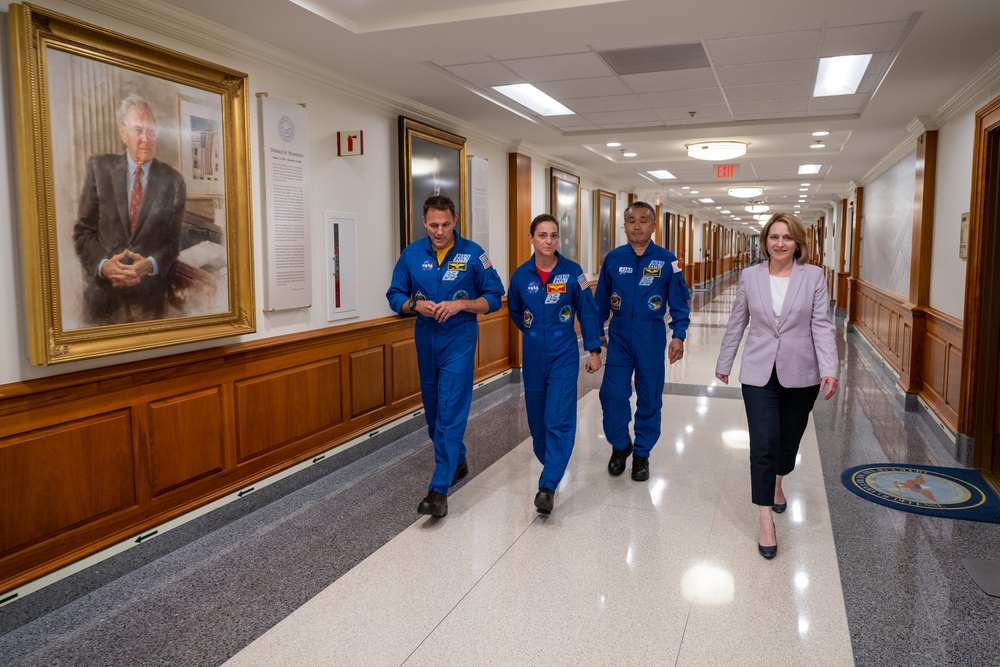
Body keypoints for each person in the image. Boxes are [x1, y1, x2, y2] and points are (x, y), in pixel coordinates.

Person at [715, 212, 839, 560]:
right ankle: (765, 517)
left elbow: (822, 326)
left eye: (786, 238)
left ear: (797, 243)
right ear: (764, 241)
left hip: (802, 373)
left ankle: (779, 480)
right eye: (773, 237)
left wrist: (829, 368)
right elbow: (738, 320)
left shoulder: (813, 276)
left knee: (788, 442)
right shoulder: (750, 276)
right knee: (764, 442)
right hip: (758, 373)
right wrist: (725, 362)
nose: (780, 243)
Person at [386, 195, 505, 518]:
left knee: (451, 408)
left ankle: (438, 490)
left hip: (460, 338)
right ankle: (458, 459)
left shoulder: (473, 255)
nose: (440, 231)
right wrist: (414, 306)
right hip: (425, 338)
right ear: (424, 223)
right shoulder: (412, 254)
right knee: (434, 412)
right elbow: (394, 295)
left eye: (446, 224)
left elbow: (495, 297)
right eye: (434, 225)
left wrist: (461, 305)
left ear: (455, 222)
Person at [508, 214, 603, 515]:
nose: (548, 241)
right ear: (532, 238)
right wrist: (536, 334)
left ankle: (547, 485)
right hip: (533, 353)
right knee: (538, 423)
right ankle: (551, 465)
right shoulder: (521, 275)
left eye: (553, 235)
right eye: (542, 235)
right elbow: (514, 310)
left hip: (564, 351)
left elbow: (587, 312)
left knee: (558, 418)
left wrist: (594, 350)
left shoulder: (572, 272)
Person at [595, 201, 690, 481]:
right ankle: (620, 444)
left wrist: (679, 335)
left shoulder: (667, 260)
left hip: (651, 337)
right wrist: (597, 331)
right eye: (631, 220)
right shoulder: (613, 259)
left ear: (653, 225)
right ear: (624, 226)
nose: (637, 226)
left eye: (643, 220)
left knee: (649, 398)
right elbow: (600, 300)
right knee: (612, 396)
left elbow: (680, 302)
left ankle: (641, 454)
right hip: (620, 337)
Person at [74, 94, 187, 326]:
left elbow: (173, 243)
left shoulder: (173, 181)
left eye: (151, 131)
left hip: (149, 304)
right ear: (122, 132)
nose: (145, 139)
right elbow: (83, 232)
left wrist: (151, 264)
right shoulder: (99, 168)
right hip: (103, 302)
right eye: (138, 131)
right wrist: (104, 266)